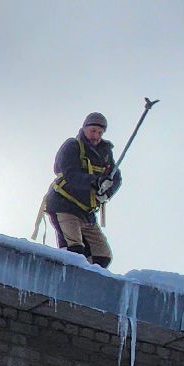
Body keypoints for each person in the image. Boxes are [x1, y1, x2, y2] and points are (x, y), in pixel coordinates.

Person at [44, 112, 121, 268]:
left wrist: (106, 193)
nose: (96, 136)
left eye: (100, 132)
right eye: (93, 130)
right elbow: (70, 174)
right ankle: (65, 277)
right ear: (84, 128)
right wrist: (96, 181)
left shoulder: (105, 154)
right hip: (64, 204)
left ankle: (89, 281)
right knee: (75, 250)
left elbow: (116, 177)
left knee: (102, 255)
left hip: (87, 213)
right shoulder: (73, 146)